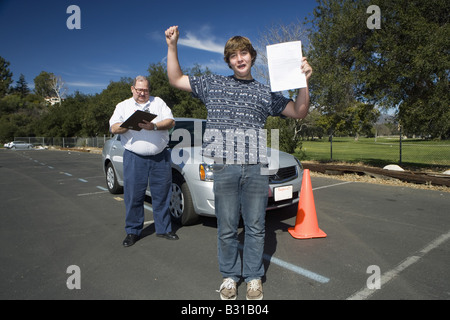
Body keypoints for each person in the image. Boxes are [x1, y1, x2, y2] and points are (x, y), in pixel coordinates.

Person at [165, 26, 312, 300]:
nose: (239, 58)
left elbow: (299, 111)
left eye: (243, 53)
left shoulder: (264, 93)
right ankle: (230, 277)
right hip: (224, 167)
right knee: (228, 227)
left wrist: (304, 81)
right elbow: (175, 79)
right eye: (233, 55)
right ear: (228, 61)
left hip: (256, 168)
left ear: (252, 57)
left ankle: (254, 277)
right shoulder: (213, 84)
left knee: (256, 226)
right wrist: (172, 46)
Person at [109, 75, 178, 247]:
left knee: (162, 194)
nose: (142, 93)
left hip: (160, 156)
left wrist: (153, 126)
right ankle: (133, 231)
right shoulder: (123, 106)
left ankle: (164, 229)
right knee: (134, 196)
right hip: (134, 157)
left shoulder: (158, 102)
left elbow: (170, 121)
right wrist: (131, 123)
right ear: (132, 89)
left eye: (145, 90)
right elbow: (114, 127)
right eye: (139, 90)